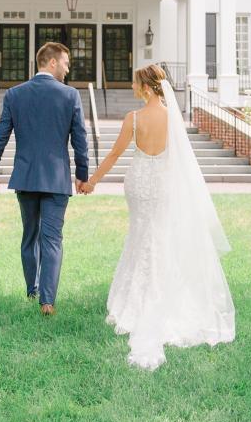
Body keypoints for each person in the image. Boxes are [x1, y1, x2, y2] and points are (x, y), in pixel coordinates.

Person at [85, 64, 235, 369]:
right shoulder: (173, 119)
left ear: (146, 87)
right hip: (163, 183)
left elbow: (114, 155)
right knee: (159, 235)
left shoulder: (134, 118)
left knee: (141, 235)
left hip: (140, 182)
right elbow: (182, 162)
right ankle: (164, 291)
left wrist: (92, 181)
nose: (132, 89)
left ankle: (137, 300)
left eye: (135, 84)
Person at [0, 41, 91, 316]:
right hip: (56, 179)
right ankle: (47, 301)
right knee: (52, 239)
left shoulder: (15, 95)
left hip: (27, 177)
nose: (68, 69)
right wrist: (82, 174)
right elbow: (80, 140)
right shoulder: (70, 96)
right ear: (51, 62)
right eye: (65, 63)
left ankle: (32, 290)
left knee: (30, 236)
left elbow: (1, 136)